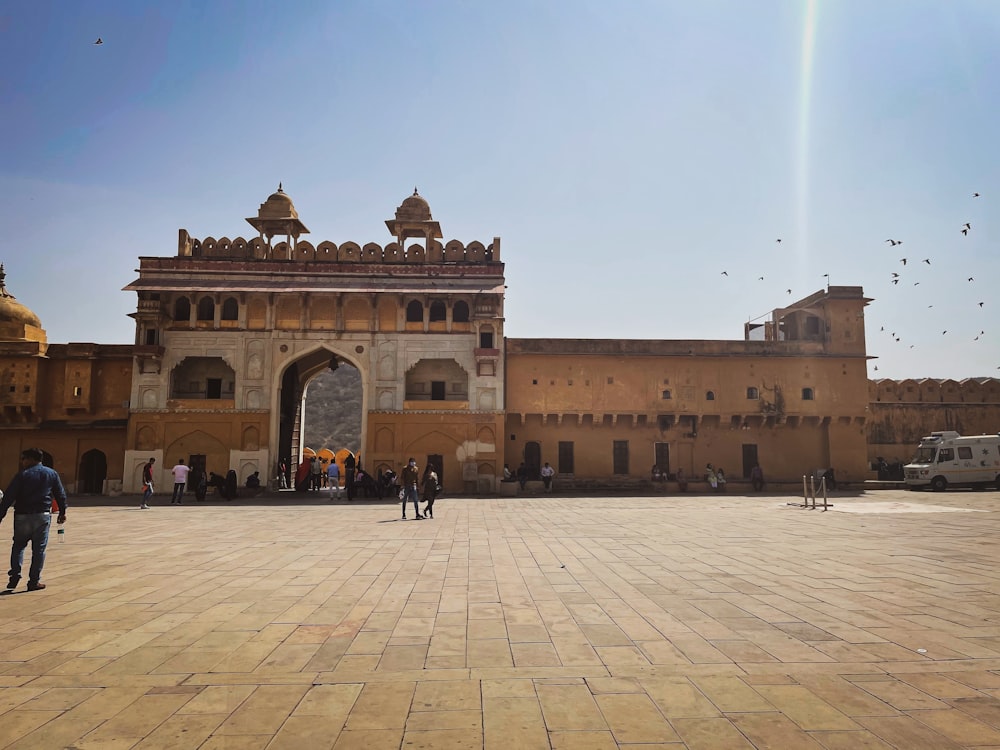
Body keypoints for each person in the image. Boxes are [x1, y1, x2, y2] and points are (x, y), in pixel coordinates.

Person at [1, 448, 67, 592]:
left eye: (23, 458)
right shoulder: (51, 474)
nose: (22, 461)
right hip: (42, 516)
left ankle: (15, 575)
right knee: (39, 550)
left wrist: (1, 514)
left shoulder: (22, 475)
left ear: (31, 459)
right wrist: (62, 512)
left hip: (22, 516)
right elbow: (60, 494)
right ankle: (34, 581)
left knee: (18, 546)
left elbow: (9, 497)